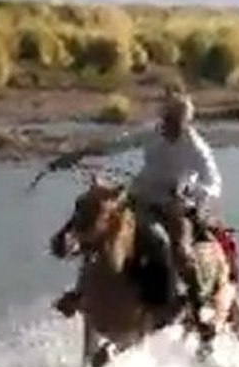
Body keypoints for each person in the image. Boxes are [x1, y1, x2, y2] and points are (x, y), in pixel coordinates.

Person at [51, 87, 223, 326]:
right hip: (138, 198)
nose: (166, 125)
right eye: (165, 118)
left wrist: (188, 193)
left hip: (171, 207)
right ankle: (80, 293)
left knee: (173, 247)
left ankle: (195, 303)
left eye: (172, 121)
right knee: (101, 230)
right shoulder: (152, 134)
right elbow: (117, 145)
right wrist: (79, 154)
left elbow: (214, 184)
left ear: (184, 122)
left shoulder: (196, 148)